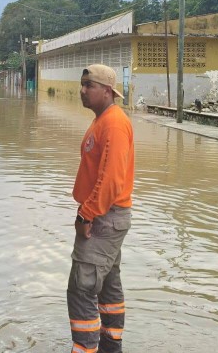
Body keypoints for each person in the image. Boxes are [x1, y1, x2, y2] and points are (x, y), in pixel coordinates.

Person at [68, 64, 135, 353]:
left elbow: (111, 180)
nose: (82, 90)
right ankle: (111, 345)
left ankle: (86, 348)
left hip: (103, 217)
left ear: (107, 91)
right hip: (106, 216)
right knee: (107, 284)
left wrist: (86, 215)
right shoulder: (103, 120)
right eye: (82, 85)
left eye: (89, 85)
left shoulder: (114, 124)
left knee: (82, 287)